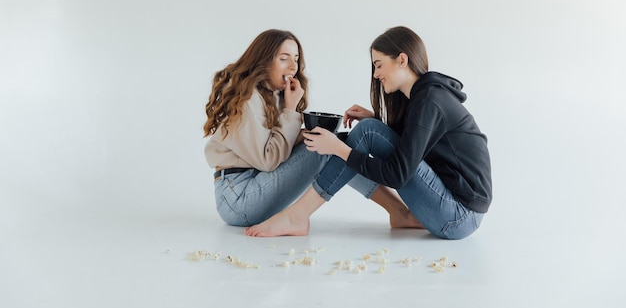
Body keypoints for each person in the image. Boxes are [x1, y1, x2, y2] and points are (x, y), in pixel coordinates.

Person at [245, 26, 492, 239]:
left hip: (458, 217)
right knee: (368, 131)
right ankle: (395, 215)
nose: (376, 74)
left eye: (379, 64)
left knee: (365, 134)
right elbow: (416, 146)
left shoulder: (429, 101)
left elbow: (397, 174)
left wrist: (339, 149)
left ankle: (297, 216)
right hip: (455, 212)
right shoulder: (425, 98)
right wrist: (376, 122)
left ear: (402, 60)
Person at [204, 29, 418, 227]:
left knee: (332, 143)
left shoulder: (271, 96)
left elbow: (274, 146)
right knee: (328, 146)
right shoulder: (248, 100)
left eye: (296, 59)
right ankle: (397, 211)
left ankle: (397, 211)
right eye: (284, 58)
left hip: (256, 186)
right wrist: (291, 109)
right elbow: (268, 160)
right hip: (238, 198)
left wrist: (303, 133)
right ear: (264, 60)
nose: (292, 67)